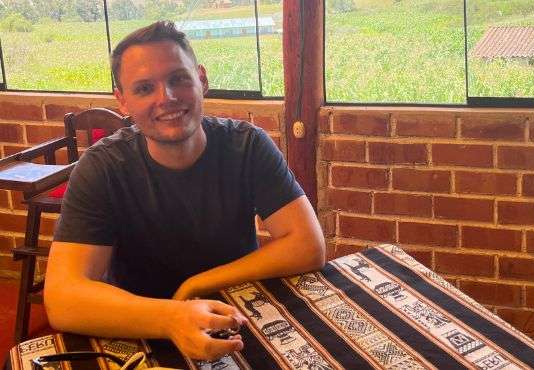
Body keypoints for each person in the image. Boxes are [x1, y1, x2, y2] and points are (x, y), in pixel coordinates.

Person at [43, 20, 325, 361]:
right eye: (145, 88)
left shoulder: (247, 145)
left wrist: (196, 284)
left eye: (178, 79)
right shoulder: (103, 167)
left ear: (201, 79)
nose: (168, 98)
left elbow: (308, 244)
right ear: (122, 101)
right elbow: (62, 297)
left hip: (236, 318)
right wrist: (173, 317)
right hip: (141, 328)